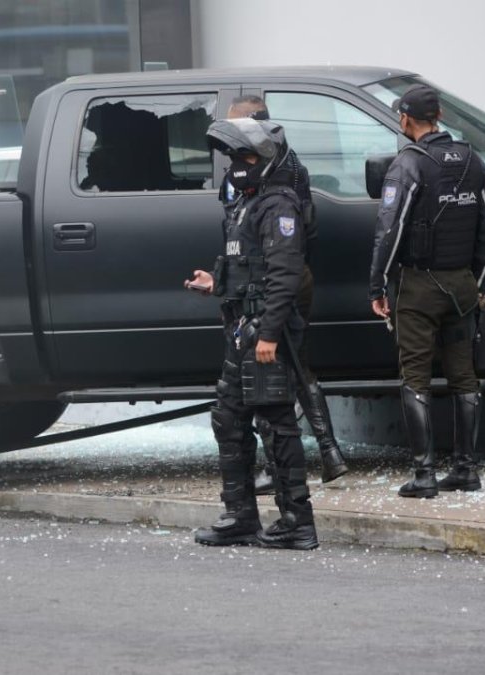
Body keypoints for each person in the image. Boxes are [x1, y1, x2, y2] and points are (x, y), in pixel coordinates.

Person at [186, 116, 318, 549]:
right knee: (229, 418)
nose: (235, 164)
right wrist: (215, 283)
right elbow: (246, 265)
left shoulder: (278, 204)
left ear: (264, 158)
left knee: (276, 424)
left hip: (265, 332)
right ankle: (241, 515)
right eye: (231, 156)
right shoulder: (246, 201)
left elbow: (284, 275)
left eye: (244, 155)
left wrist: (269, 335)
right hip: (242, 328)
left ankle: (297, 522)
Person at [368, 84, 485, 498]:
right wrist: (473, 279)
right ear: (438, 116)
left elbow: (391, 228)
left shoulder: (409, 164)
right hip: (462, 284)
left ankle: (423, 475)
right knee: (464, 378)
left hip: (418, 287)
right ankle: (466, 470)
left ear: (406, 119)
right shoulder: (473, 160)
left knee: (416, 377)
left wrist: (377, 283)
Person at [219, 95, 349, 495]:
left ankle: (286, 469)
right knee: (295, 367)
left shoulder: (276, 171)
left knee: (271, 373)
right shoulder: (288, 163)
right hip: (283, 275)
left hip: (277, 279)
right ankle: (328, 452)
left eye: (237, 128)